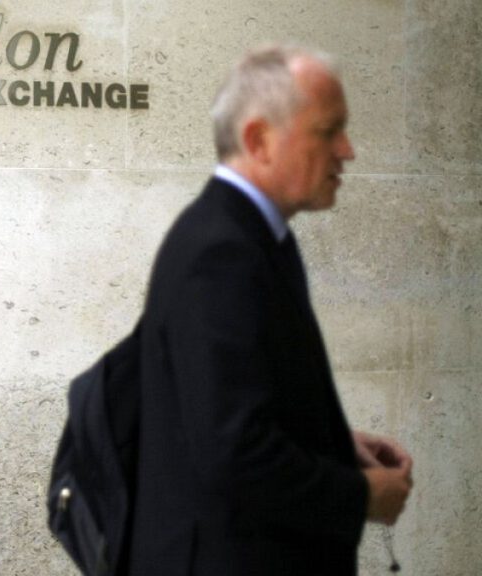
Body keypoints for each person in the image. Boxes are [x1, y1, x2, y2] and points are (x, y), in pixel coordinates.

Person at [126, 45, 413, 575]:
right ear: (259, 140)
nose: (347, 150)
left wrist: (333, 442)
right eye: (329, 130)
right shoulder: (220, 251)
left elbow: (231, 409)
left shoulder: (253, 235)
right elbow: (233, 453)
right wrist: (360, 497)